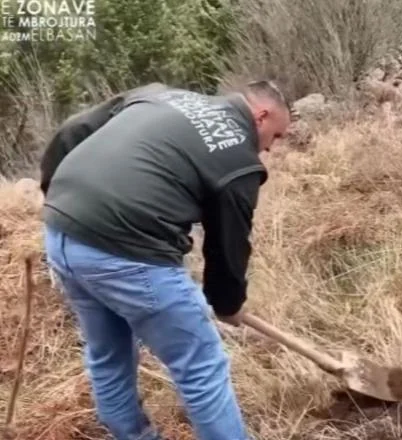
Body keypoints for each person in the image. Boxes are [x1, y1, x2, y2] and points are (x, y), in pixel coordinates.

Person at [41, 80, 292, 439]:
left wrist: (55, 193)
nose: (270, 147)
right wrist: (227, 303)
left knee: (108, 355)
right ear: (260, 115)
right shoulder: (238, 159)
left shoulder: (161, 95)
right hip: (128, 254)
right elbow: (228, 244)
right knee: (201, 365)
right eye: (276, 136)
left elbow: (74, 129)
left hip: (62, 233)